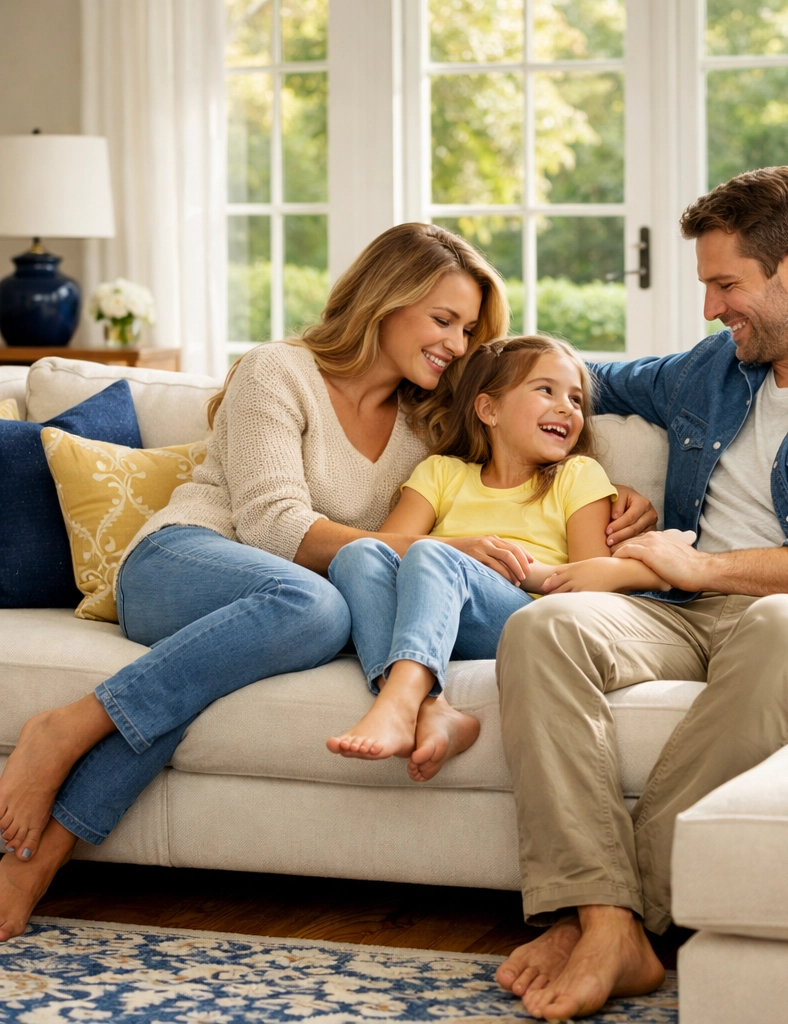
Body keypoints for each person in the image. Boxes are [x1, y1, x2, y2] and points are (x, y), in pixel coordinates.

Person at [0, 223, 654, 942]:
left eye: (468, 329)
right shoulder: (279, 370)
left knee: (207, 673)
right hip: (185, 560)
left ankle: (37, 859)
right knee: (312, 604)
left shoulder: (426, 420)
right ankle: (67, 725)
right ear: (385, 301)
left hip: (276, 611)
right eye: (443, 320)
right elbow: (274, 525)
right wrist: (428, 546)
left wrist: (618, 494)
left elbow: (520, 426)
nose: (458, 345)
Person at [492, 166, 788, 1020]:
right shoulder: (709, 370)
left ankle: (616, 923)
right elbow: (576, 379)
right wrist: (459, 365)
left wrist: (703, 567)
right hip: (678, 613)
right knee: (547, 627)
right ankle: (606, 920)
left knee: (780, 627)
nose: (713, 308)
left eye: (726, 284)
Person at [328, 335, 618, 781]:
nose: (567, 408)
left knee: (430, 553)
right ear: (489, 410)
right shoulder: (441, 472)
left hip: (514, 620)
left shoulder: (578, 476)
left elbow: (591, 586)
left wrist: (496, 567)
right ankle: (433, 710)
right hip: (430, 617)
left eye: (576, 399)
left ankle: (400, 700)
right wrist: (455, 552)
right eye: (546, 390)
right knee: (356, 554)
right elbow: (384, 550)